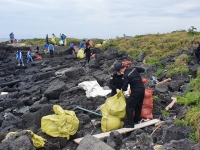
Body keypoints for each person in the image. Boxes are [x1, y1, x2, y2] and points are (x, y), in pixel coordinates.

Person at [115, 63, 145, 128]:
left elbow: (124, 88)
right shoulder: (133, 68)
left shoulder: (126, 76)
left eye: (119, 71)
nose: (120, 72)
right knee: (138, 105)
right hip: (142, 89)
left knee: (129, 107)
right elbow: (142, 69)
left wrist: (121, 89)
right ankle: (136, 120)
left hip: (136, 91)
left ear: (121, 69)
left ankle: (131, 124)